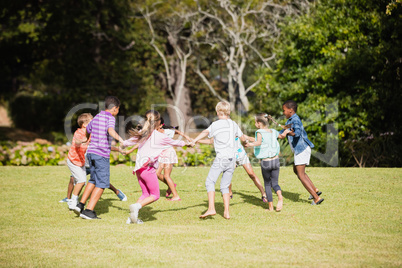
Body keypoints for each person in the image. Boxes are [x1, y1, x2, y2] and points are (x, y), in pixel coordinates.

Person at [122, 110, 188, 224]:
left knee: (145, 194)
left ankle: (132, 218)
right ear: (158, 122)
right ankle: (136, 206)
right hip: (148, 169)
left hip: (139, 170)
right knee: (155, 195)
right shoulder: (159, 136)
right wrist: (188, 143)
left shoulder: (142, 133)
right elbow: (175, 142)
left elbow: (126, 143)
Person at [73, 96, 126, 219]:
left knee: (93, 180)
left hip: (91, 153)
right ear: (114, 108)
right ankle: (89, 211)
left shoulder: (97, 117)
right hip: (101, 154)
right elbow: (111, 130)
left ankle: (80, 205)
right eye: (118, 109)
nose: (117, 112)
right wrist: (120, 139)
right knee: (103, 183)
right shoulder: (110, 118)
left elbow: (88, 128)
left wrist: (86, 138)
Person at [191, 101, 245, 219]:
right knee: (225, 186)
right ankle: (226, 212)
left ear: (217, 112)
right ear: (229, 112)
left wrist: (195, 140)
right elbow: (243, 138)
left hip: (221, 158)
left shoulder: (215, 125)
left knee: (210, 182)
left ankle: (211, 209)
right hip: (232, 159)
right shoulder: (233, 124)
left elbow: (205, 132)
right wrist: (247, 142)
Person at [62, 113, 127, 209]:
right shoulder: (79, 133)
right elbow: (76, 141)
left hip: (87, 161)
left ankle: (117, 191)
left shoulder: (93, 134)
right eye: (91, 122)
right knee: (77, 179)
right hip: (77, 162)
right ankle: (70, 199)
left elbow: (105, 146)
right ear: (84, 124)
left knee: (99, 179)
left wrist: (118, 149)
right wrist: (83, 141)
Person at [197, 135, 268, 203]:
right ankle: (229, 192)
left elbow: (248, 138)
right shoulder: (221, 134)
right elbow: (210, 141)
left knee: (251, 174)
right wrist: (196, 140)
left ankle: (263, 193)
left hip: (241, 155)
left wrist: (261, 141)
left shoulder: (235, 131)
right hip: (231, 157)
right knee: (227, 176)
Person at [280, 100, 324, 205]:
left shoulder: (295, 119)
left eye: (284, 110)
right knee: (297, 170)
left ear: (290, 110)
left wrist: (288, 132)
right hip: (300, 150)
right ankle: (315, 190)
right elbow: (282, 132)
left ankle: (316, 198)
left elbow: (297, 133)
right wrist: (270, 133)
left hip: (302, 149)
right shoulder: (290, 120)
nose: (283, 112)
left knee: (301, 175)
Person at [245, 113, 290, 211]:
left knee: (267, 184)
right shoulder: (273, 131)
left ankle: (270, 208)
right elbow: (282, 136)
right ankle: (280, 197)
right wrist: (286, 132)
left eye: (255, 122)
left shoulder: (259, 132)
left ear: (259, 123)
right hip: (276, 161)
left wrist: (249, 144)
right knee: (275, 183)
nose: (255, 124)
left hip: (266, 162)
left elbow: (258, 142)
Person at [156, 118, 192, 201]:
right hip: (161, 153)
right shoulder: (153, 133)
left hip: (169, 153)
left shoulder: (166, 132)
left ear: (161, 125)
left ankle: (176, 196)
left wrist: (188, 138)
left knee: (166, 175)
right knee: (156, 173)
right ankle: (170, 185)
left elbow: (177, 132)